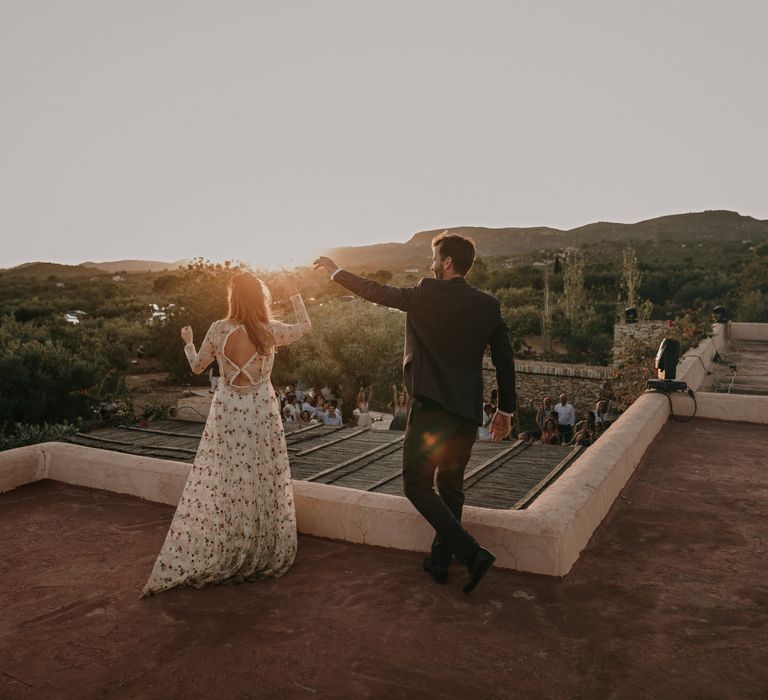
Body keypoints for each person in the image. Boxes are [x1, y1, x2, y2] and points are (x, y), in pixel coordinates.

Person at [315, 232, 516, 594]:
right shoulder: (489, 305)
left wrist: (336, 272)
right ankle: (441, 561)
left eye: (434, 256)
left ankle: (472, 555)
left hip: (433, 409)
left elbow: (377, 292)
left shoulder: (427, 292)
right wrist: (505, 410)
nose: (431, 262)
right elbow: (505, 360)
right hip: (467, 413)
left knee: (417, 486)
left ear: (448, 262)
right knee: (451, 488)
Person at [141, 271, 311, 597]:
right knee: (262, 473)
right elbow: (305, 327)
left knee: (232, 475)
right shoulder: (269, 331)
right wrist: (293, 293)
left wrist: (189, 344)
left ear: (233, 298)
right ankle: (261, 544)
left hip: (230, 411)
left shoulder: (219, 329)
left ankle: (234, 539)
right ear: (259, 298)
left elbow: (197, 367)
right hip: (260, 412)